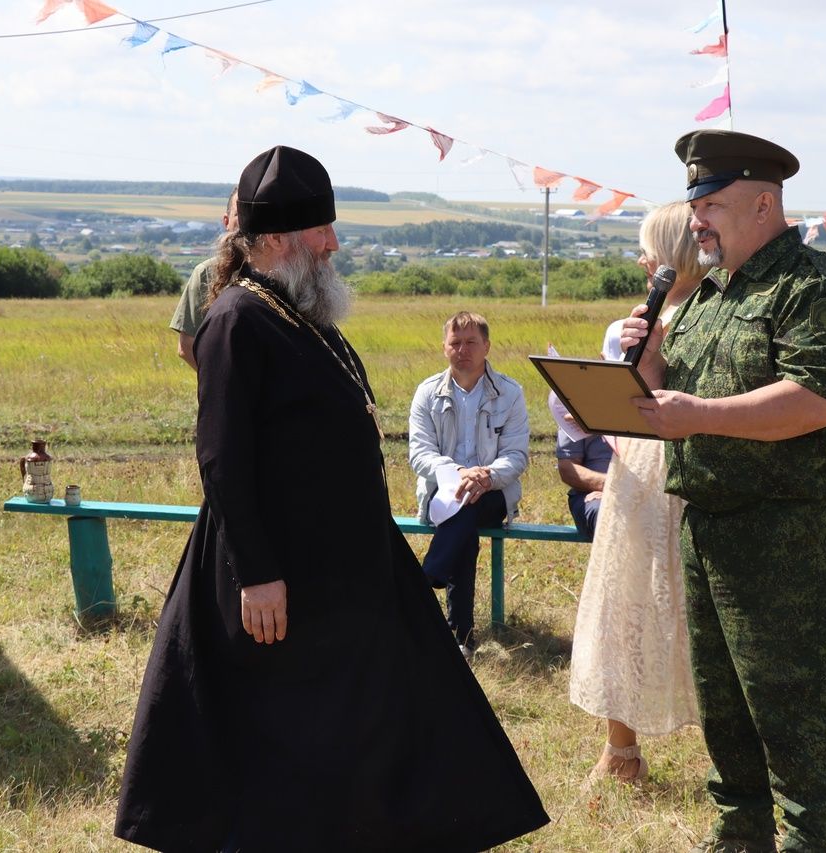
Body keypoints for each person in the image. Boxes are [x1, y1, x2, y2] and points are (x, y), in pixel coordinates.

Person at [114, 146, 548, 852]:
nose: (335, 244)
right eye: (323, 232)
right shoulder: (235, 320)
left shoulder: (300, 315)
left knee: (401, 718)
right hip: (275, 582)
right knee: (284, 749)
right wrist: (256, 571)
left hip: (345, 575)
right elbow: (222, 458)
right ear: (279, 239)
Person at [621, 130, 826, 853]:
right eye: (695, 204)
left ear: (764, 203)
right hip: (708, 527)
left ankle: (810, 840)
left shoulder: (814, 287)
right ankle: (739, 834)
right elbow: (660, 395)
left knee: (795, 710)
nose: (696, 219)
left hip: (785, 535)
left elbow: (812, 403)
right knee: (725, 708)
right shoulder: (705, 294)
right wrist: (644, 356)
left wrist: (697, 416)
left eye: (711, 204)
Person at [570, 202, 709, 782]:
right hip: (638, 468)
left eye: (648, 247)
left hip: (690, 465)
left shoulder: (723, 312)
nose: (641, 259)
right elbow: (633, 404)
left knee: (688, 608)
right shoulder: (641, 317)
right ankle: (622, 752)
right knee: (625, 602)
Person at [409, 312, 529, 661]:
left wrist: (485, 477)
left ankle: (431, 579)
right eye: (455, 342)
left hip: (492, 492)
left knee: (465, 512)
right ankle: (461, 639)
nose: (463, 350)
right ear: (444, 347)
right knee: (462, 519)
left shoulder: (509, 393)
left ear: (487, 346)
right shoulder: (427, 393)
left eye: (471, 342)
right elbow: (420, 454)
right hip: (440, 491)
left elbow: (516, 455)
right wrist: (458, 473)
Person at [169, 189, 237, 369]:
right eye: (240, 214)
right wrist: (222, 384)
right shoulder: (207, 273)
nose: (247, 221)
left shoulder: (286, 272)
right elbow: (187, 346)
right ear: (226, 221)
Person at [555, 432, 611, 541]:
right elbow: (568, 469)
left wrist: (621, 490)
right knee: (606, 511)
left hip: (645, 489)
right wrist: (610, 487)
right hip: (590, 493)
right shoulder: (577, 416)